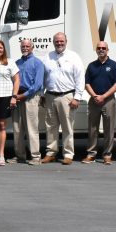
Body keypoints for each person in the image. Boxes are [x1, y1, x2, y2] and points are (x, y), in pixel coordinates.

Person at [42, 32, 85, 165]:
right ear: (53, 42)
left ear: (66, 41)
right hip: (50, 96)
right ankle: (51, 153)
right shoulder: (48, 57)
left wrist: (77, 97)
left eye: (61, 41)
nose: (59, 43)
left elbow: (80, 78)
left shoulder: (73, 57)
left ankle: (68, 154)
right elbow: (44, 77)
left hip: (67, 96)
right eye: (57, 41)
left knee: (67, 127)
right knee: (50, 127)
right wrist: (43, 94)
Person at [83, 40, 116, 165]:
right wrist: (94, 95)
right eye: (99, 48)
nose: (101, 50)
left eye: (103, 48)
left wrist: (104, 96)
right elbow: (87, 83)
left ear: (107, 50)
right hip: (94, 100)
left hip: (108, 100)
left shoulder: (114, 65)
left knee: (108, 129)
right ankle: (91, 154)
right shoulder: (91, 66)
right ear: (96, 50)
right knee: (92, 128)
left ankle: (107, 155)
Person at [13, 38, 45, 165]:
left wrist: (24, 95)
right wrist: (15, 96)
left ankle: (36, 157)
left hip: (30, 97)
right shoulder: (17, 63)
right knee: (17, 128)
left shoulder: (38, 63)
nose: (25, 48)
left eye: (27, 46)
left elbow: (38, 84)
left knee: (32, 128)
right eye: (23, 46)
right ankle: (20, 156)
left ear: (32, 47)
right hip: (17, 96)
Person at [0, 40, 19, 166]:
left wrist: (14, 97)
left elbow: (17, 80)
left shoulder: (10, 62)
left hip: (5, 97)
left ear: (3, 49)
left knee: (1, 125)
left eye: (0, 47)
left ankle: (1, 154)